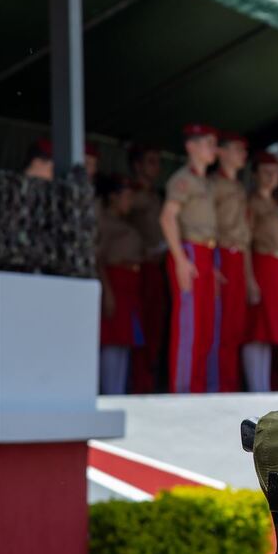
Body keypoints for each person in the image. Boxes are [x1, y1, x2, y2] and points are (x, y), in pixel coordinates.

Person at [159, 124, 218, 394]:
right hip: (190, 252)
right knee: (189, 328)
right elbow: (167, 217)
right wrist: (181, 260)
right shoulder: (183, 179)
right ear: (191, 146)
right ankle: (182, 390)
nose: (213, 149)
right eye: (207, 143)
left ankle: (197, 390)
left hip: (206, 254)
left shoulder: (205, 181)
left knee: (204, 327)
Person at [210, 132, 257, 393]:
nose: (243, 155)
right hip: (222, 255)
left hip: (239, 258)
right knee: (220, 326)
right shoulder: (213, 185)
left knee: (236, 327)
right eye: (237, 149)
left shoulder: (239, 188)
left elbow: (245, 238)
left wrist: (249, 278)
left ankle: (229, 384)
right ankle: (217, 385)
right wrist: (213, 265)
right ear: (222, 152)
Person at [95, 175, 144, 395]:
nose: (130, 201)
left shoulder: (127, 222)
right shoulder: (104, 222)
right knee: (112, 339)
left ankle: (119, 391)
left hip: (129, 283)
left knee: (125, 340)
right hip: (114, 281)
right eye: (126, 196)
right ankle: (110, 392)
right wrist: (107, 292)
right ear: (113, 197)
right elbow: (99, 259)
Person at [244, 151, 278, 392]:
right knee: (256, 328)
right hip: (259, 264)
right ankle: (255, 387)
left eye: (275, 173)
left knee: (269, 329)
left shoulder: (274, 203)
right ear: (255, 175)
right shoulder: (252, 203)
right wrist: (250, 279)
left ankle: (263, 386)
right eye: (266, 172)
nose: (271, 177)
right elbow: (245, 244)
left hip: (274, 268)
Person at [128, 145, 167, 393]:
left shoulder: (156, 195)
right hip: (138, 268)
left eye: (157, 162)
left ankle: (150, 380)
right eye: (151, 161)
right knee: (138, 328)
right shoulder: (130, 194)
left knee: (156, 326)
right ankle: (138, 383)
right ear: (137, 165)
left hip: (158, 268)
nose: (156, 167)